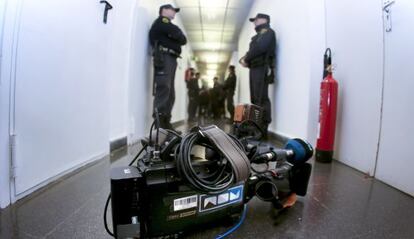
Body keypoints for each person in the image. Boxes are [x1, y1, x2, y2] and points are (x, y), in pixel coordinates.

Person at [149, 4, 187, 129]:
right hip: (164, 58)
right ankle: (159, 126)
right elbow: (178, 35)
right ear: (164, 10)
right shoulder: (161, 23)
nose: (175, 12)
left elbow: (183, 39)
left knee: (170, 93)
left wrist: (175, 37)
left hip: (171, 59)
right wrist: (175, 37)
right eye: (173, 10)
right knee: (164, 88)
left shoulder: (167, 25)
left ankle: (166, 123)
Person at [239, 13, 276, 137]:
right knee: (255, 98)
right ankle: (256, 126)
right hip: (255, 68)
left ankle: (262, 128)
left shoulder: (268, 32)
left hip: (262, 67)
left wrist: (246, 58)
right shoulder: (258, 35)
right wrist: (246, 60)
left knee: (261, 98)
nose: (254, 22)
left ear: (264, 19)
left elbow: (260, 48)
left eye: (256, 20)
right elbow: (253, 51)